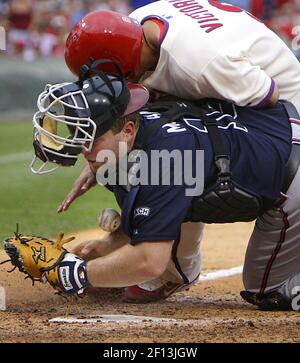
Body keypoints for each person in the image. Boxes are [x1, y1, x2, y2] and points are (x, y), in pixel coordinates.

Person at [31, 63, 300, 309]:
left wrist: (76, 275)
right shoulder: (136, 137)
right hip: (278, 127)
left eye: (93, 139)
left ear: (126, 131)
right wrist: (98, 250)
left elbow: (150, 260)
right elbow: (148, 215)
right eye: (81, 137)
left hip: (292, 172)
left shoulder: (164, 161)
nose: (83, 150)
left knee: (266, 289)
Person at [59, 0, 300, 264]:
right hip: (235, 86)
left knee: (173, 149)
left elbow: (269, 96)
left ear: (122, 65)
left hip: (285, 117)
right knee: (158, 138)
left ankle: (173, 262)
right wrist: (102, 146)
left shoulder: (200, 64)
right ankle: (168, 257)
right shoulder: (137, 28)